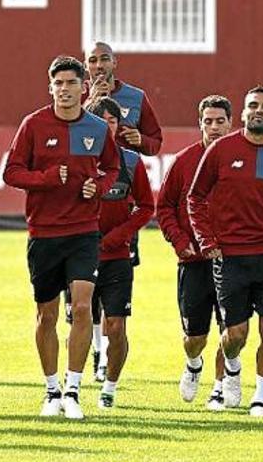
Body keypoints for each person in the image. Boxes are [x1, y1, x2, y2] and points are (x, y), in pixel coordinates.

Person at [3, 55, 119, 420]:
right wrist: (49, 178)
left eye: (72, 83)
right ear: (50, 87)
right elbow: (12, 172)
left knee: (83, 307)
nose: (65, 89)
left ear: (84, 87)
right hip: (44, 233)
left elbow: (112, 168)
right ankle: (51, 389)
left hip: (84, 231)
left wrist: (98, 186)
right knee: (46, 314)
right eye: (59, 83)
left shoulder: (98, 129)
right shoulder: (33, 125)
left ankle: (73, 388)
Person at [188, 86, 263, 417]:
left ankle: (261, 398)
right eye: (252, 106)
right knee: (235, 335)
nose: (259, 110)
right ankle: (231, 366)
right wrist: (207, 240)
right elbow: (195, 198)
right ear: (242, 114)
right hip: (230, 258)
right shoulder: (221, 150)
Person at [84, 41, 163, 370]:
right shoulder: (75, 92)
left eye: (104, 59)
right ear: (85, 65)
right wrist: (90, 102)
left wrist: (138, 141)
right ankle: (97, 347)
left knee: (115, 279)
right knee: (84, 287)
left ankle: (105, 350)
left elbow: (155, 143)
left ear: (115, 62)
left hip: (120, 200)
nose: (99, 65)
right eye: (92, 60)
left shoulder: (136, 97)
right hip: (86, 198)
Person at [156, 95, 231, 410]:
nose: (214, 127)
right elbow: (164, 208)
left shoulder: (243, 159)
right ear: (200, 123)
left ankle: (218, 387)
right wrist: (178, 240)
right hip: (194, 262)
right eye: (208, 121)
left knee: (232, 331)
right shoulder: (185, 161)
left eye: (219, 121)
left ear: (231, 123)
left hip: (232, 261)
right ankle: (194, 363)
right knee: (194, 337)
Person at [80, 96, 153, 409]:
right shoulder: (78, 159)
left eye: (112, 121)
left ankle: (109, 386)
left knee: (116, 325)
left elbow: (146, 206)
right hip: (80, 255)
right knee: (80, 320)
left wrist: (118, 236)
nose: (108, 127)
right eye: (102, 121)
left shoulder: (131, 162)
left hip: (117, 256)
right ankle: (71, 386)